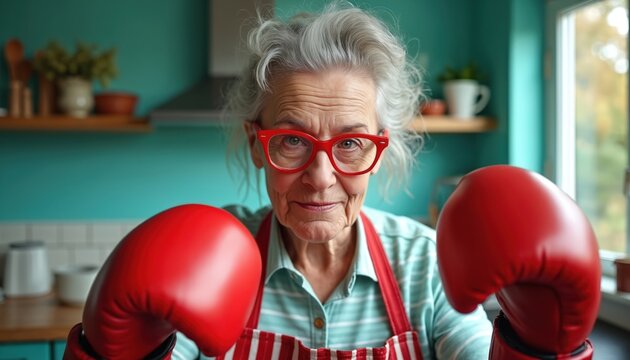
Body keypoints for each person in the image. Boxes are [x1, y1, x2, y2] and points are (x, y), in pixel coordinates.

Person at [63, 3, 600, 360]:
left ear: (378, 148)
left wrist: (536, 345)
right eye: (292, 141)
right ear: (258, 144)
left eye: (349, 144)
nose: (321, 178)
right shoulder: (211, 261)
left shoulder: (424, 263)